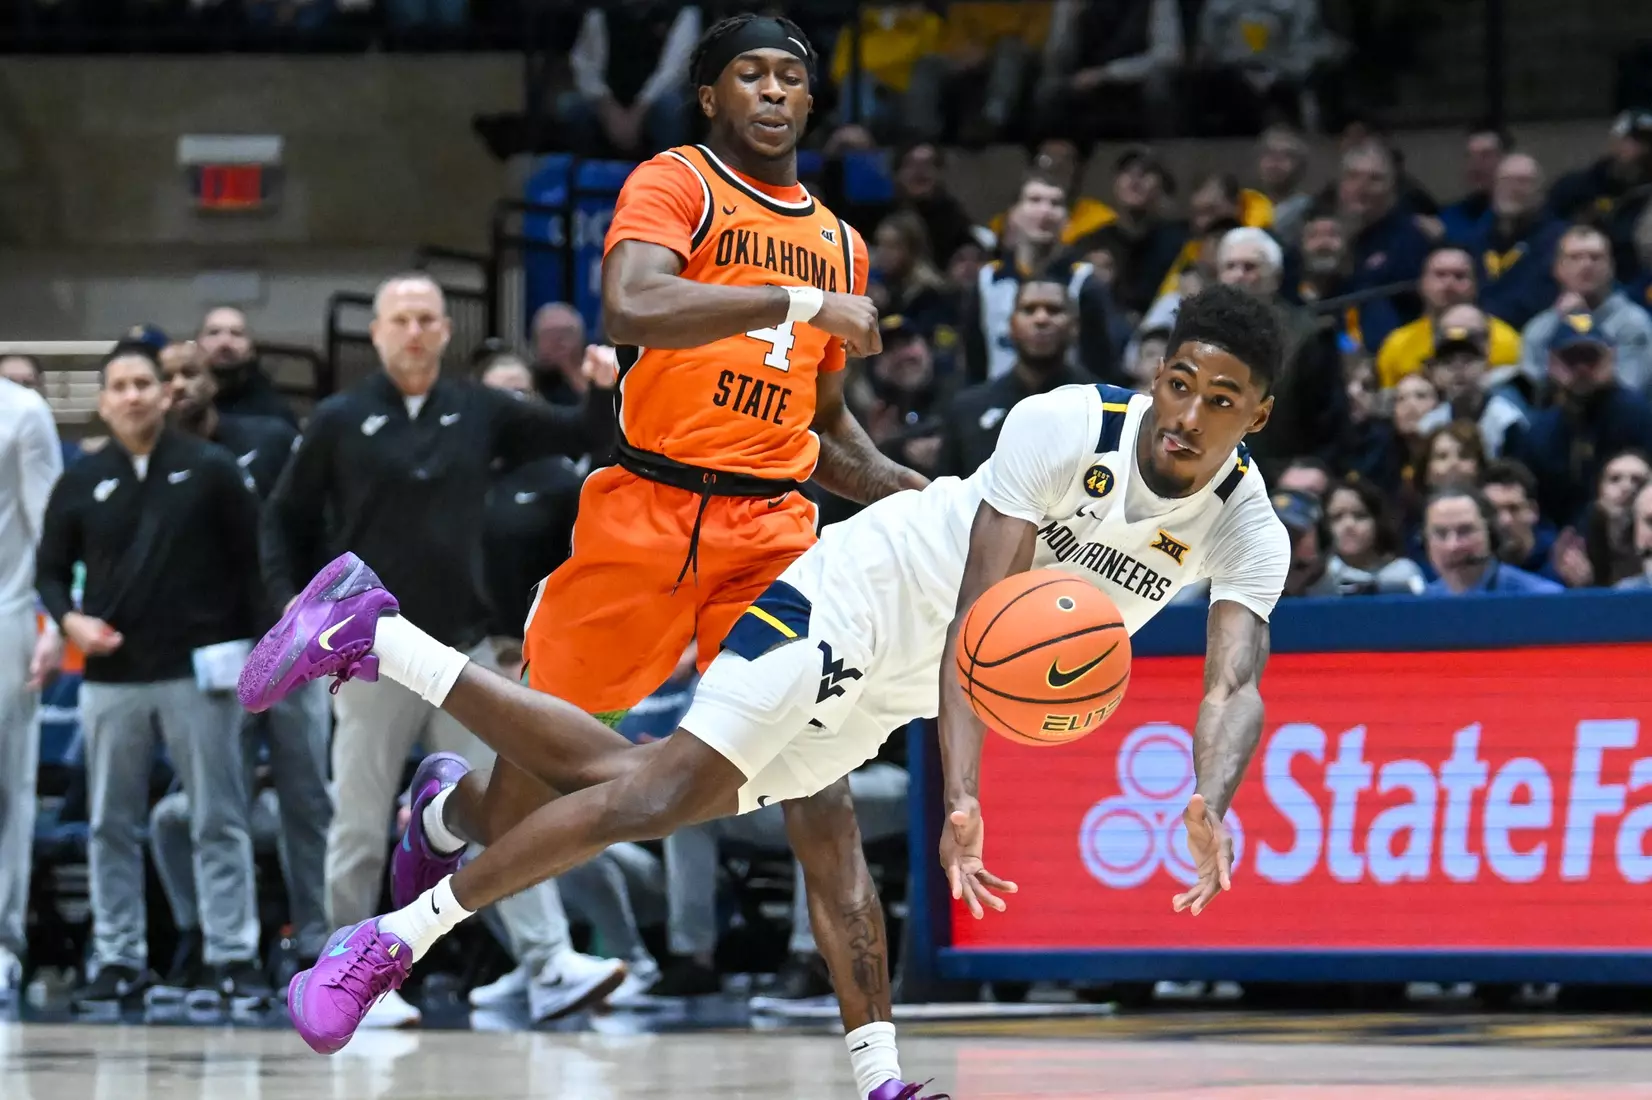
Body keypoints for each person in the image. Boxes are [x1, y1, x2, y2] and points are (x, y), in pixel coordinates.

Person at [243, 284, 1290, 1096]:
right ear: (1157, 376)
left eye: (1221, 401)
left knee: (650, 786)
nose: (1188, 416)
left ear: (1258, 414)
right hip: (863, 591)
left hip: (898, 685)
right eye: (1180, 384)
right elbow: (981, 617)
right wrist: (963, 796)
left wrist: (1211, 795)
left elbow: (1230, 684)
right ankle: (389, 937)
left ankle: (417, 733)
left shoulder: (1248, 531)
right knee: (654, 797)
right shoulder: (1065, 425)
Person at [377, 10, 925, 1081]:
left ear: (809, 104)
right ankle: (443, 815)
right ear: (711, 97)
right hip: (642, 516)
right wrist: (798, 296)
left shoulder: (841, 238)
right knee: (527, 795)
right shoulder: (676, 183)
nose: (771, 92)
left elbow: (823, 432)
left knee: (817, 792)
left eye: (788, 79)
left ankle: (879, 1066)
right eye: (748, 76)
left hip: (770, 531)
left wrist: (925, 496)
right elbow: (630, 305)